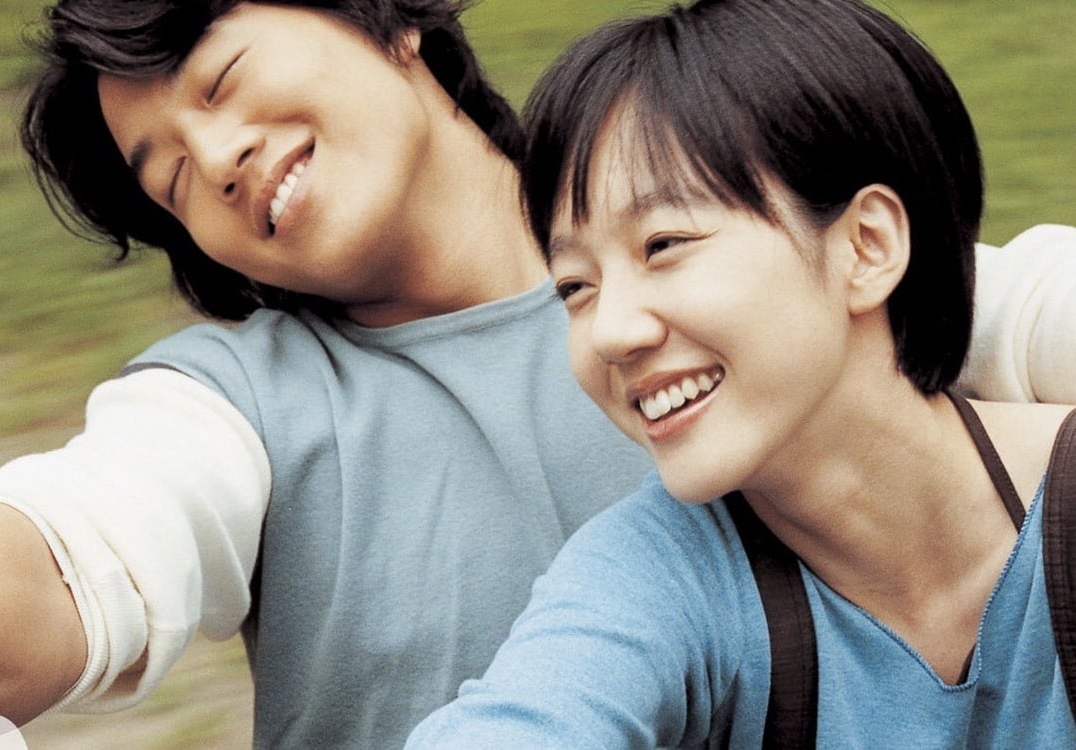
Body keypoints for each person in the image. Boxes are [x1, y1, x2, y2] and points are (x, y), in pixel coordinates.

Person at [0, 0, 1073, 748]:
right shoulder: (243, 406)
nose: (215, 159)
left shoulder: (737, 246)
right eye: (168, 178)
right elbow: (66, 547)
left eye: (223, 80)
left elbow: (978, 307)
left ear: (390, 24)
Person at [406, 0, 1076, 746]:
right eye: (574, 287)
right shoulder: (659, 571)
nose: (611, 333)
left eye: (663, 245)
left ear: (866, 245)